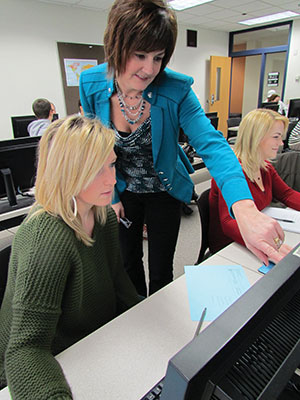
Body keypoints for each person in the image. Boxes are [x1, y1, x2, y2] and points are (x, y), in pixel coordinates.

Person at [79, 0, 286, 296]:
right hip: (123, 187)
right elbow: (95, 147)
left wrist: (246, 210)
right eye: (139, 55)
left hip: (165, 189)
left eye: (158, 57)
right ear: (116, 45)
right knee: (127, 262)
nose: (149, 68)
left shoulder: (176, 89)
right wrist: (110, 196)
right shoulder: (91, 83)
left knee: (161, 267)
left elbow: (213, 146)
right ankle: (137, 315)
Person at [0, 115, 140, 398]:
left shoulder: (103, 217)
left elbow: (118, 283)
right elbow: (26, 349)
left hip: (90, 343)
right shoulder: (46, 238)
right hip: (47, 360)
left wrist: (151, 320)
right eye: (95, 170)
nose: (111, 179)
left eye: (111, 164)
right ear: (68, 172)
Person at [209, 108, 300, 254]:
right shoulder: (230, 174)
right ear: (257, 137)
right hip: (230, 246)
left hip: (253, 237)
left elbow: (287, 194)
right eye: (276, 137)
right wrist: (267, 244)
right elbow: (228, 223)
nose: (282, 143)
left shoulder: (265, 167)